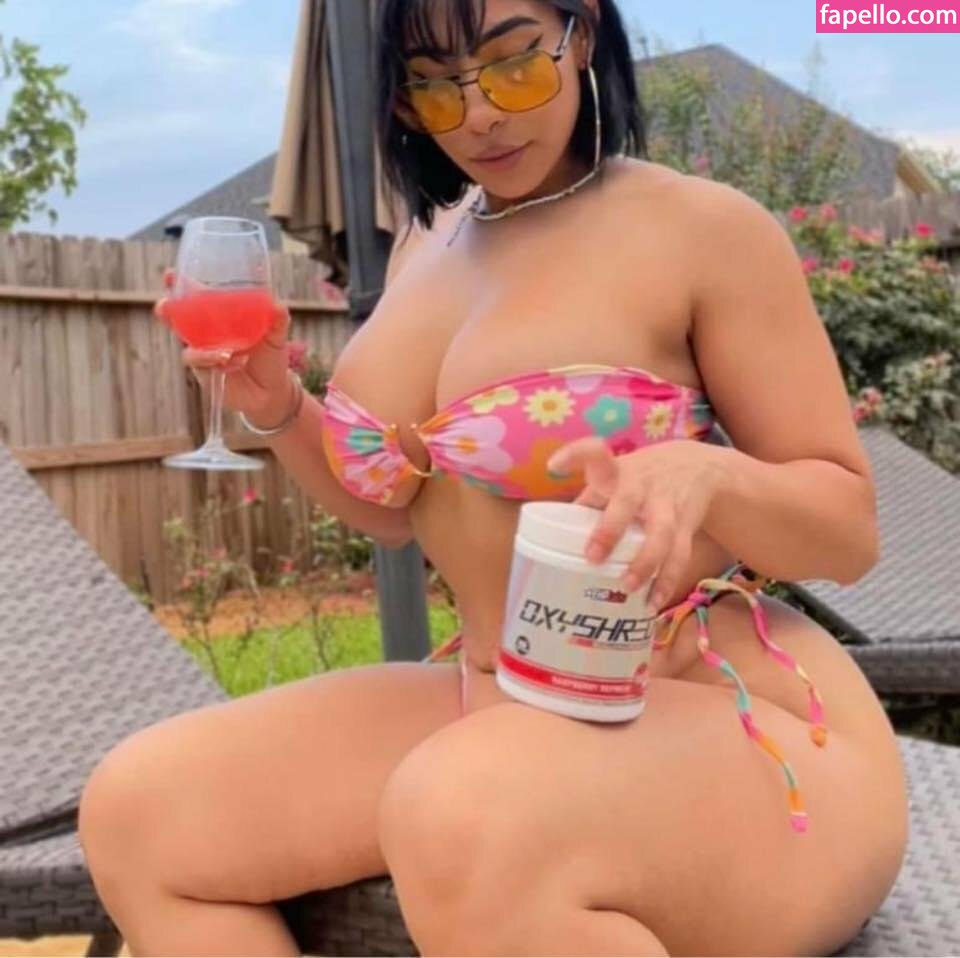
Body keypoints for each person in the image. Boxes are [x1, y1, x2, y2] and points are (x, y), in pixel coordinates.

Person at [78, 1, 909, 955]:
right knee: (143, 813)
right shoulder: (427, 244)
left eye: (514, 66)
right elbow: (394, 511)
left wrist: (707, 473)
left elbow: (849, 529)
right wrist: (279, 408)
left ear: (581, 36)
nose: (479, 115)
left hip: (729, 708)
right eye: (436, 86)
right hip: (500, 695)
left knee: (461, 813)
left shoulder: (702, 229)